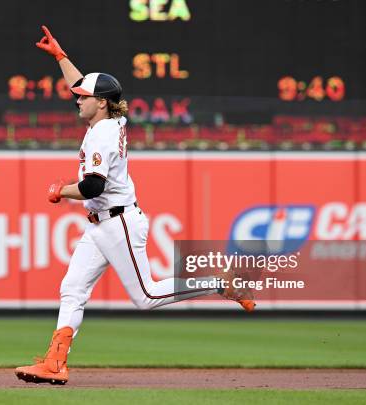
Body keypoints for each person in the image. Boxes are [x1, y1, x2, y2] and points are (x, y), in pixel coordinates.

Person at [14, 26, 255, 386]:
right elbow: (83, 84)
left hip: (118, 222)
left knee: (146, 296)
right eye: (77, 95)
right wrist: (60, 57)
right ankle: (55, 363)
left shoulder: (103, 133)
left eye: (82, 97)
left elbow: (94, 184)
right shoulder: (106, 119)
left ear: (101, 103)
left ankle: (221, 284)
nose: (76, 99)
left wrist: (61, 190)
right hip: (100, 224)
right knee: (72, 288)